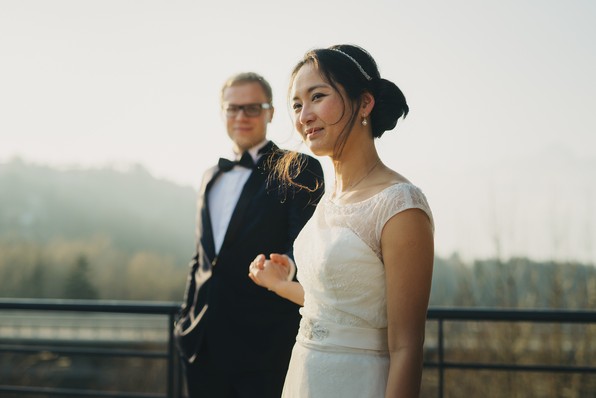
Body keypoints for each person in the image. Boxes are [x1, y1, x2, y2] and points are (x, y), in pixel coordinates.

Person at [248, 45, 434, 398]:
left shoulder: (400, 205)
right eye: (297, 104)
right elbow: (332, 309)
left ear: (365, 103)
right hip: (304, 375)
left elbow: (407, 347)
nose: (304, 116)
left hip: (359, 383)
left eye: (318, 96)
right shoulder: (329, 199)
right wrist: (279, 284)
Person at [174, 72, 324, 398]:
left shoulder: (298, 167)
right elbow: (202, 257)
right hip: (200, 346)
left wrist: (289, 267)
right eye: (233, 108)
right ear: (223, 113)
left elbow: (306, 244)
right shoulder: (209, 177)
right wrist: (184, 321)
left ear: (270, 113)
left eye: (252, 108)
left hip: (263, 347)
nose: (241, 116)